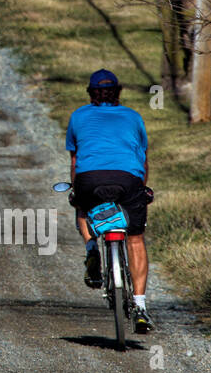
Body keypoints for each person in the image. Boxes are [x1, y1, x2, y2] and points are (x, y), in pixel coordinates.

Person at [65, 69, 154, 334]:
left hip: (90, 179)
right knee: (135, 238)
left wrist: (74, 187)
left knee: (81, 205)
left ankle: (92, 248)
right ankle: (140, 306)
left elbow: (74, 160)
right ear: (119, 92)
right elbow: (143, 159)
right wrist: (141, 186)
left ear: (91, 94)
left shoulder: (78, 116)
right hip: (128, 179)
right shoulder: (133, 117)